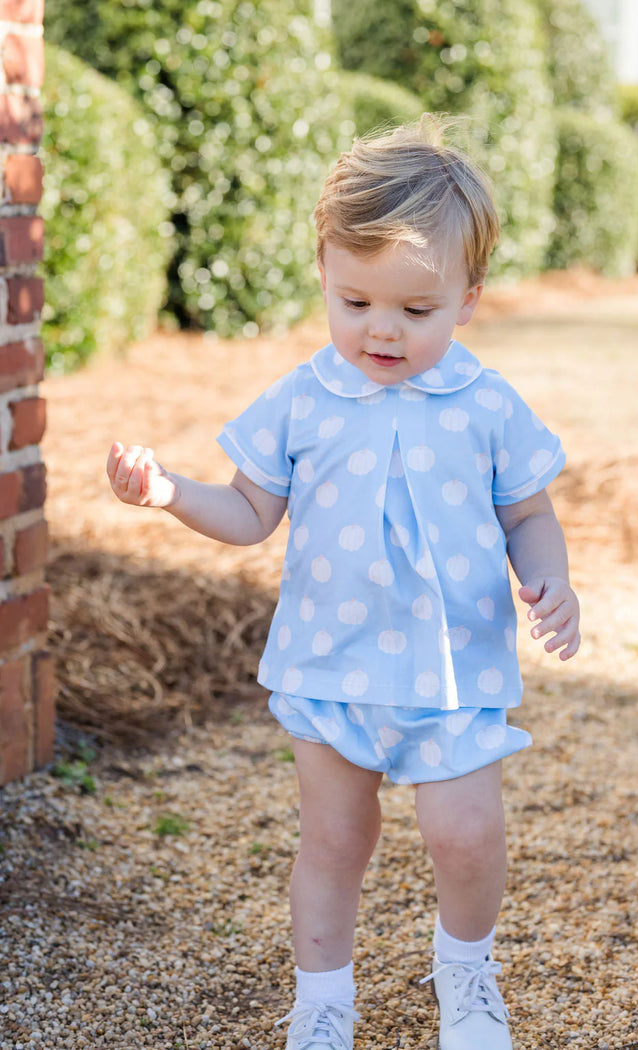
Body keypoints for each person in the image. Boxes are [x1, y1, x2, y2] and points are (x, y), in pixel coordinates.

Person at [107, 115, 581, 1050]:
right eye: (356, 301)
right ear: (325, 272)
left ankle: (467, 976)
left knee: (467, 836)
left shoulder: (486, 404)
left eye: (416, 310)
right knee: (331, 843)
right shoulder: (302, 397)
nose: (382, 331)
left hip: (450, 673)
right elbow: (250, 512)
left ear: (468, 299)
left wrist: (552, 583)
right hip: (331, 666)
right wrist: (168, 493)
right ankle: (323, 1000)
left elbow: (528, 513)